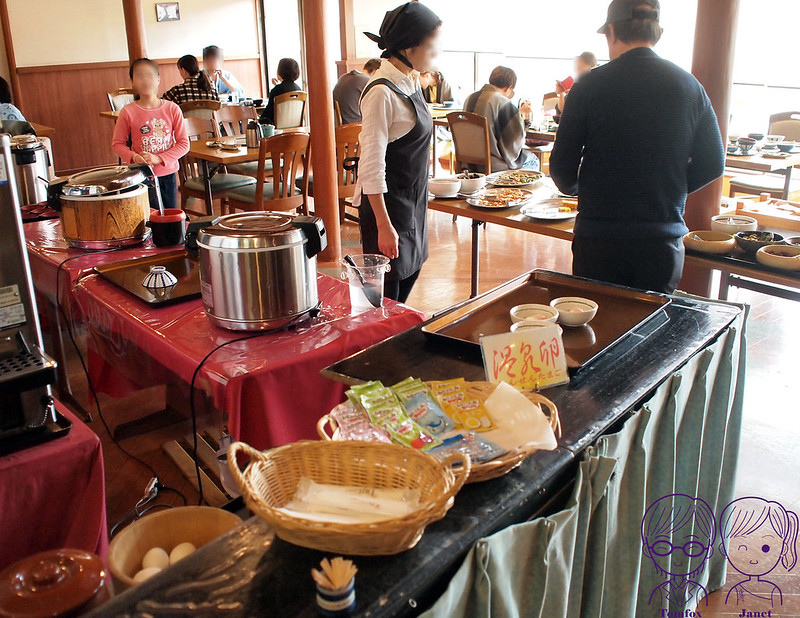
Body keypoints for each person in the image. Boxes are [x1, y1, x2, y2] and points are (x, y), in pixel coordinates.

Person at [549, 0, 724, 294]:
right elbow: (713, 161)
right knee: (651, 332)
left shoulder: (588, 86)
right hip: (661, 241)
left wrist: (588, 188)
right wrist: (669, 189)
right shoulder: (689, 86)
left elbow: (561, 169)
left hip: (599, 239)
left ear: (612, 32)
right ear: (657, 32)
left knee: (599, 332)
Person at [355, 2, 441, 303]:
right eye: (431, 45)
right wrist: (383, 225)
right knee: (385, 296)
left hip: (413, 200)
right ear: (408, 46)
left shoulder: (411, 81)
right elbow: (371, 165)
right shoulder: (381, 92)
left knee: (411, 272)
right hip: (388, 207)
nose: (435, 52)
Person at [112, 58, 189, 211]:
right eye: (139, 76)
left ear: (158, 79)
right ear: (132, 81)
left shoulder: (172, 109)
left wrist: (159, 158)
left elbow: (184, 144)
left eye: (150, 75)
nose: (145, 80)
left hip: (167, 175)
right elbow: (117, 144)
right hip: (140, 176)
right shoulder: (127, 112)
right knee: (146, 218)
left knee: (169, 217)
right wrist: (134, 157)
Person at [719, 497, 798, 607]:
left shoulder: (774, 591)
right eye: (742, 548)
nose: (753, 558)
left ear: (784, 548)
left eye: (766, 548)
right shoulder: (737, 589)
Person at [462, 66, 539, 172]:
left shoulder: (469, 98)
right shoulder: (502, 102)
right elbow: (515, 141)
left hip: (468, 162)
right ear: (509, 87)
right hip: (493, 164)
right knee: (533, 160)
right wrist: (521, 115)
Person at [332, 58, 381, 124]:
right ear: (376, 72)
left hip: (337, 124)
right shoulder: (367, 81)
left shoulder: (344, 77)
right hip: (354, 126)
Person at [259, 58, 301, 126]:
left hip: (279, 133)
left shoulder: (276, 90)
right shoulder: (298, 89)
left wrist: (257, 118)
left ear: (280, 71)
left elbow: (267, 115)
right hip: (295, 130)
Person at [555, 51, 597, 115]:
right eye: (577, 68)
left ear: (593, 67)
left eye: (580, 68)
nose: (578, 72)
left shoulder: (599, 84)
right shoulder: (577, 84)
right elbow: (563, 110)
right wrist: (561, 94)